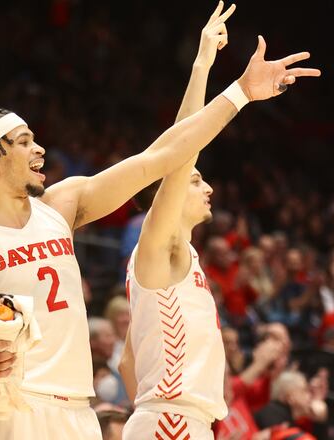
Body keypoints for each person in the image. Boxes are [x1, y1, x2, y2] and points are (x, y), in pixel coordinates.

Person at [0, 1, 320, 437]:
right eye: (25, 142)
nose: (40, 150)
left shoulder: (63, 204)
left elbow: (162, 157)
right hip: (9, 410)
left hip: (78, 412)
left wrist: (241, 92)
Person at [118, 4, 236, 438]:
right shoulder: (158, 245)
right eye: (195, 179)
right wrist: (203, 65)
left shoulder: (180, 256)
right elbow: (182, 148)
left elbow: (126, 363)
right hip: (172, 420)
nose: (207, 187)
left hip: (173, 421)